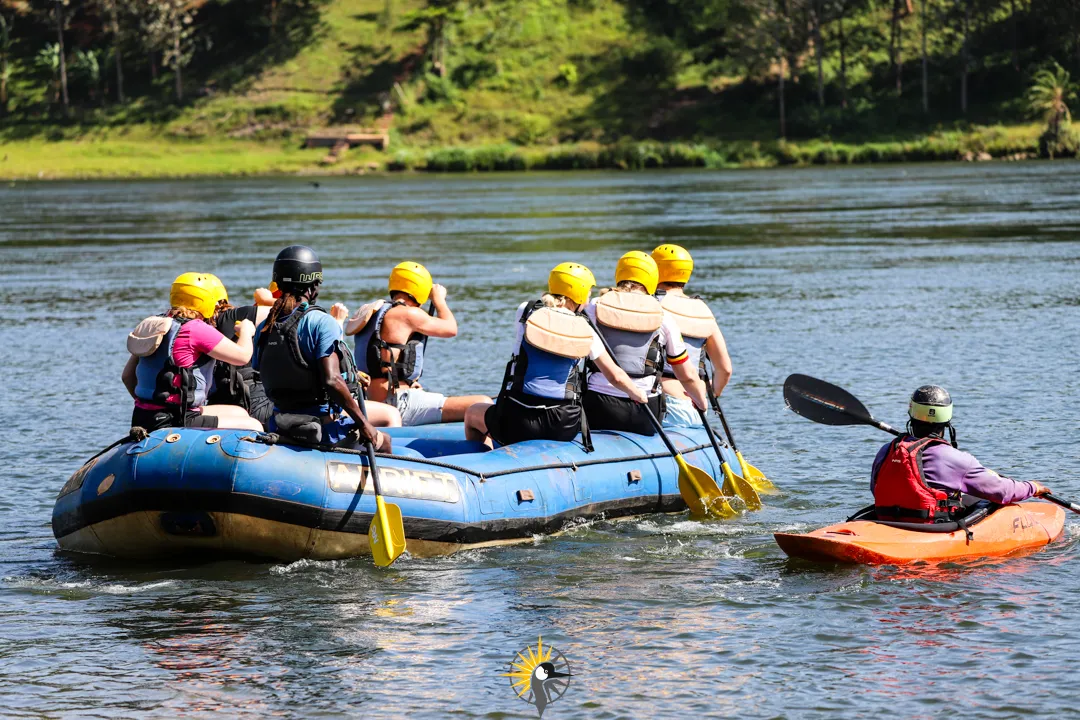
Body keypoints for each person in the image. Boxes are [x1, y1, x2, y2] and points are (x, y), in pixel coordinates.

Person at [464, 263, 647, 448]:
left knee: (472, 413)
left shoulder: (526, 311)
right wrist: (638, 394)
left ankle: (490, 462)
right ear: (580, 294)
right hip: (562, 425)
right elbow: (615, 376)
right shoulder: (585, 330)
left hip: (519, 419)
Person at [253, 245, 390, 451]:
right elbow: (331, 379)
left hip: (281, 424)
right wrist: (364, 424)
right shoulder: (322, 322)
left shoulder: (265, 327)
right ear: (314, 284)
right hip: (321, 430)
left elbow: (261, 371)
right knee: (385, 441)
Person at [870, 385, 1051, 522]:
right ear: (947, 418)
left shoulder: (887, 450)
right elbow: (1002, 492)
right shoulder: (958, 459)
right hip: (929, 525)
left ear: (912, 412)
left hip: (889, 519)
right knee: (986, 501)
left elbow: (875, 489)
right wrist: (1032, 487)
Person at [345, 261, 491, 427]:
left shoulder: (373, 312)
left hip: (370, 401)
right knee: (482, 403)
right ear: (421, 290)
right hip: (397, 404)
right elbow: (451, 328)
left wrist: (408, 383)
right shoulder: (408, 314)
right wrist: (439, 300)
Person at [582, 251, 709, 436]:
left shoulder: (593, 307)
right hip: (644, 410)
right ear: (652, 279)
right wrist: (701, 402)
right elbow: (687, 375)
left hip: (598, 405)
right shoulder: (663, 317)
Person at [122, 272, 263, 431]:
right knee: (254, 425)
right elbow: (242, 357)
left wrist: (151, 406)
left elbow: (127, 376)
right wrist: (246, 331)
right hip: (176, 419)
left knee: (240, 413)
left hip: (142, 416)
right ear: (207, 302)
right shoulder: (196, 328)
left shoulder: (154, 326)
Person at [651, 244, 734, 428]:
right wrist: (705, 394)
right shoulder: (702, 309)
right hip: (693, 407)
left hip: (663, 404)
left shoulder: (652, 305)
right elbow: (725, 369)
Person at [206, 281, 276, 428]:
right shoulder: (234, 316)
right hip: (255, 404)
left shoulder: (188, 327)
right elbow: (294, 312)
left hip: (217, 404)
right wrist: (267, 300)